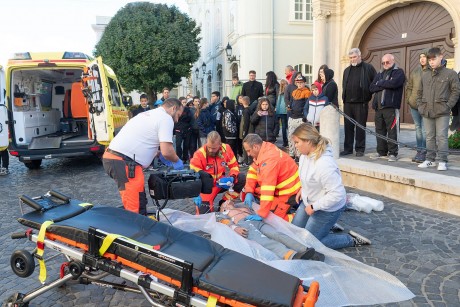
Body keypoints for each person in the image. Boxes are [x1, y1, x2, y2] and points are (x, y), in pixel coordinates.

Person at [291, 123, 371, 249]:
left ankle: (350, 239)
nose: (295, 146)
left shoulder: (324, 164)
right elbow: (309, 178)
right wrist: (303, 189)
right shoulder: (304, 157)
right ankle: (328, 227)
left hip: (328, 208)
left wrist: (314, 206)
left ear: (308, 142)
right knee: (293, 234)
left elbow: (338, 195)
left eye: (297, 142)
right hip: (310, 201)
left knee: (308, 243)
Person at [102, 98, 184, 215]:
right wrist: (177, 161)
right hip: (125, 162)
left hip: (117, 159)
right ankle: (134, 231)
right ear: (173, 108)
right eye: (178, 115)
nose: (177, 120)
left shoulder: (148, 114)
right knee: (135, 207)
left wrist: (157, 153)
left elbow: (143, 140)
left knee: (139, 200)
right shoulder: (166, 118)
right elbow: (167, 151)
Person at [216, 200, 322, 261]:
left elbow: (260, 209)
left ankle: (305, 250)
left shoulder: (243, 206)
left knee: (278, 234)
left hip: (258, 222)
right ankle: (290, 255)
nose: (229, 201)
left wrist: (259, 215)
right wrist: (235, 228)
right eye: (226, 201)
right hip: (244, 225)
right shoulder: (223, 213)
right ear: (222, 206)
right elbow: (222, 221)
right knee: (266, 241)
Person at [416, 47, 460, 171]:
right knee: (429, 136)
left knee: (441, 136)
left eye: (433, 59)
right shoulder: (425, 75)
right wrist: (420, 106)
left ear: (441, 57)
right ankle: (430, 160)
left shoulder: (450, 74)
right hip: (427, 110)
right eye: (429, 59)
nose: (431, 62)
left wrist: (448, 105)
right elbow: (419, 92)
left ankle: (442, 161)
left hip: (442, 111)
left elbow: (456, 91)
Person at [242, 134, 300, 221]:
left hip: (289, 193)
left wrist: (262, 214)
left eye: (248, 151)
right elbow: (252, 172)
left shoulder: (269, 160)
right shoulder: (264, 149)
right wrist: (249, 191)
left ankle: (299, 217)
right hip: (280, 189)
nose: (248, 154)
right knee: (250, 195)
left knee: (273, 219)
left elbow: (267, 189)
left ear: (255, 147)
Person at [190, 131, 245, 214]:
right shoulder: (199, 154)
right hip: (207, 188)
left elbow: (234, 165)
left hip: (222, 182)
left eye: (214, 148)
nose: (211, 150)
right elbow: (193, 176)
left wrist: (232, 177)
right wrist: (195, 193)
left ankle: (224, 202)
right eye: (209, 147)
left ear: (220, 144)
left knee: (240, 178)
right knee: (204, 215)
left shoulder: (226, 149)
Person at [369, 53, 406, 162]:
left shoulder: (398, 72)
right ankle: (381, 152)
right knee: (379, 130)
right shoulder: (380, 73)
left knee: (392, 131)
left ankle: (393, 153)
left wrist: (380, 83)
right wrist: (385, 83)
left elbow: (394, 83)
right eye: (383, 62)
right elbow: (371, 87)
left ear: (393, 61)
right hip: (378, 108)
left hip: (391, 107)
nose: (385, 64)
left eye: (387, 62)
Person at [341, 48, 377, 157]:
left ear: (360, 56)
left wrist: (368, 94)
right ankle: (348, 148)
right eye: (351, 58)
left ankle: (360, 149)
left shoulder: (368, 68)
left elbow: (375, 82)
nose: (352, 59)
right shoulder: (346, 70)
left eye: (354, 57)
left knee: (360, 127)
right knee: (348, 127)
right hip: (348, 103)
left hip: (361, 103)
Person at [405, 49, 429, 163]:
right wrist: (408, 99)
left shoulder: (432, 71)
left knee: (425, 129)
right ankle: (419, 151)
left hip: (426, 105)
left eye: (425, 56)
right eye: (420, 56)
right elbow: (409, 86)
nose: (422, 58)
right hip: (414, 104)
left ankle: (425, 152)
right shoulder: (415, 71)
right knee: (418, 128)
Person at [287, 75, 311, 159]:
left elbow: (307, 106)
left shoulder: (307, 92)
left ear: (304, 83)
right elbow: (291, 102)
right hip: (292, 116)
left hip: (301, 117)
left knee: (299, 137)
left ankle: (298, 154)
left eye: (301, 83)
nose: (299, 84)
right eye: (298, 83)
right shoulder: (294, 92)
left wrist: (305, 116)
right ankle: (291, 153)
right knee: (290, 136)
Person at [174, 97, 192, 162]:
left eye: (185, 102)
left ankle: (185, 158)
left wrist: (182, 117)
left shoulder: (187, 109)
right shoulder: (176, 109)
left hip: (187, 129)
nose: (184, 104)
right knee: (178, 145)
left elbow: (189, 118)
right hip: (178, 129)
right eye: (183, 102)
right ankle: (179, 158)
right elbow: (176, 119)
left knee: (186, 145)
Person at [275, 79, 289, 147]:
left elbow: (278, 103)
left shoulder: (280, 93)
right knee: (287, 126)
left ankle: (285, 141)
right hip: (287, 110)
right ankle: (287, 141)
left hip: (281, 111)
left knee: (283, 126)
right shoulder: (288, 91)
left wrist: (277, 112)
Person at [239, 96, 251, 167]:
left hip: (245, 132)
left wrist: (244, 132)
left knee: (245, 147)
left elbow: (245, 123)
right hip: (247, 131)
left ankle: (245, 161)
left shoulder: (245, 111)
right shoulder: (249, 110)